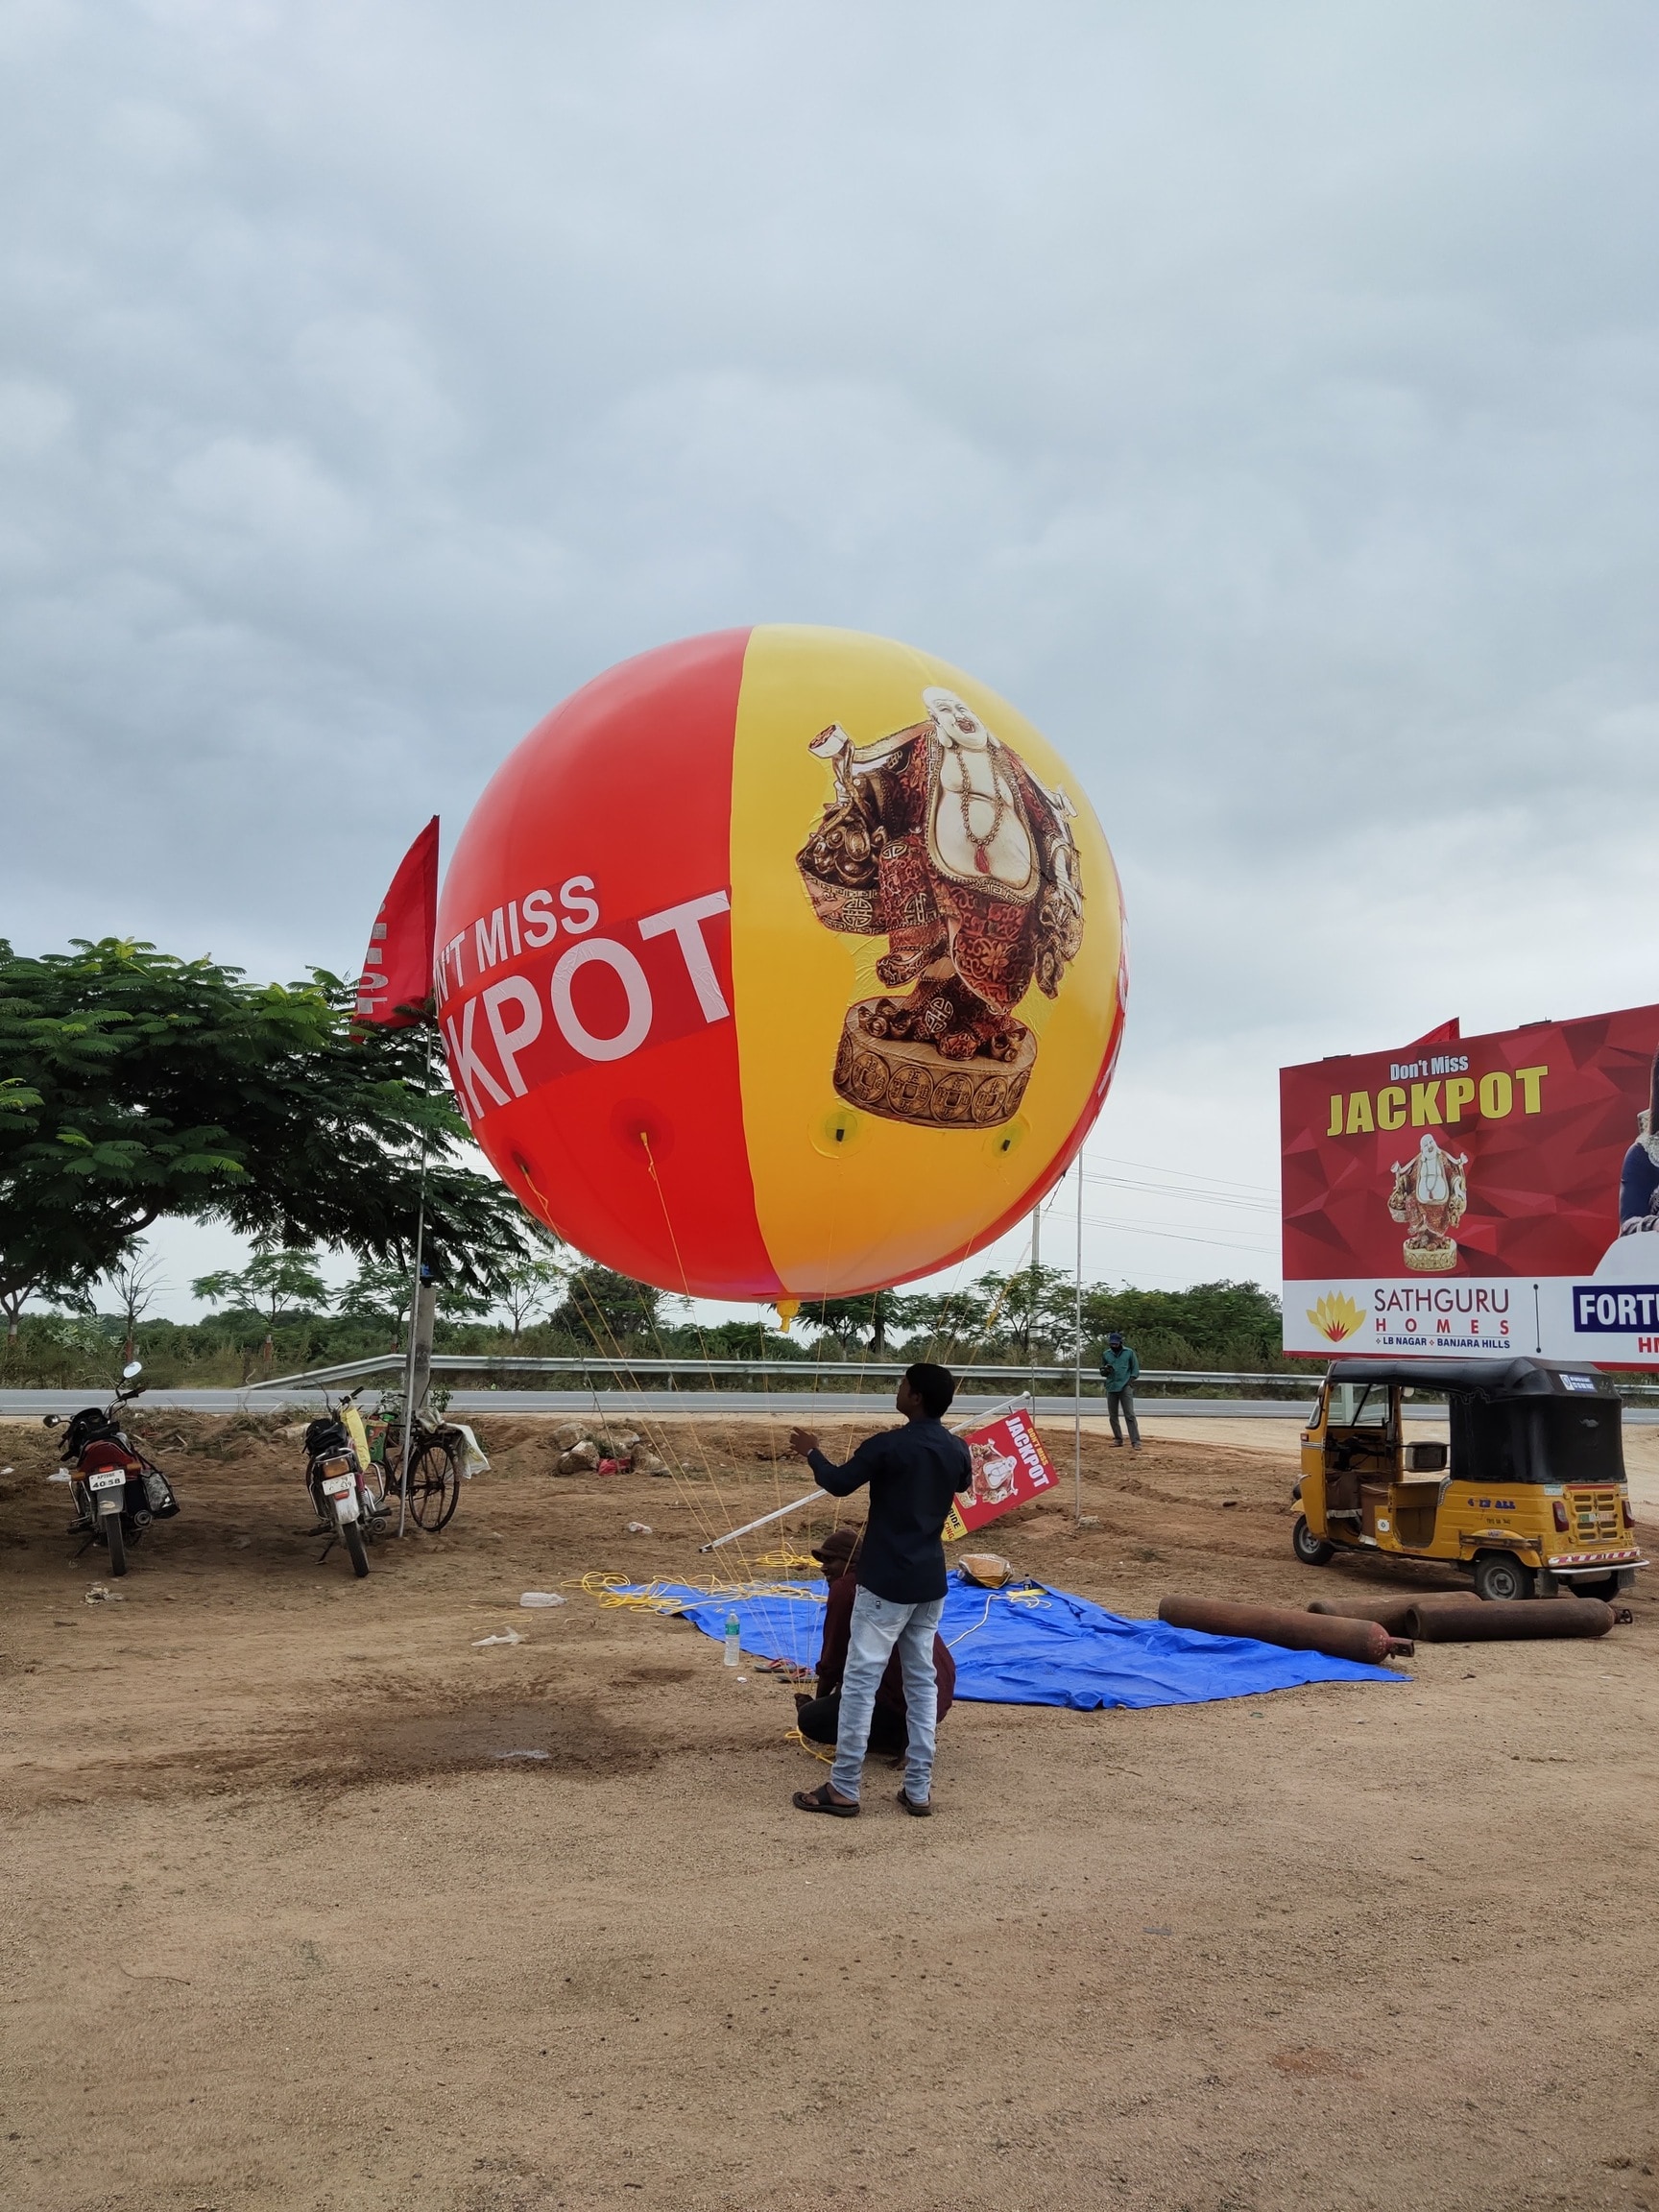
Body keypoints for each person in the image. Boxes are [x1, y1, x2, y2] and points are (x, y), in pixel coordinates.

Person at [785, 1362, 972, 1818]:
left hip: (886, 1581)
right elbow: (963, 1485)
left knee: (862, 1683)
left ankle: (845, 1787)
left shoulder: (888, 1445)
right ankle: (918, 1790)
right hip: (930, 1581)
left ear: (916, 1398)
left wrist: (813, 1452)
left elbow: (838, 1483)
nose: (899, 1389)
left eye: (903, 1385)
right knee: (920, 1681)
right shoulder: (957, 1449)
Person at [795, 1528, 956, 1762]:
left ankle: (896, 1738)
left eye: (831, 1560)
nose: (823, 1568)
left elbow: (834, 1657)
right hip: (934, 1694)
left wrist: (818, 1704)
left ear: (852, 1561)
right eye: (822, 1560)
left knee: (811, 1720)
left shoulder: (846, 1588)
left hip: (902, 1699)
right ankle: (912, 1731)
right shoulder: (890, 1577)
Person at [1099, 1329, 1141, 1450]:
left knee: (1129, 1415)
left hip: (1125, 1386)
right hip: (1111, 1386)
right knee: (1113, 1415)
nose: (1113, 1346)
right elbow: (1102, 1371)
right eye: (1111, 1344)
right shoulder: (1106, 1354)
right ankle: (1118, 1439)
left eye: (1115, 1344)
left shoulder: (1129, 1353)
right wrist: (1105, 1371)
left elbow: (1135, 1369)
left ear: (1120, 1343)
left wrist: (1129, 1382)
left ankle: (1136, 1441)